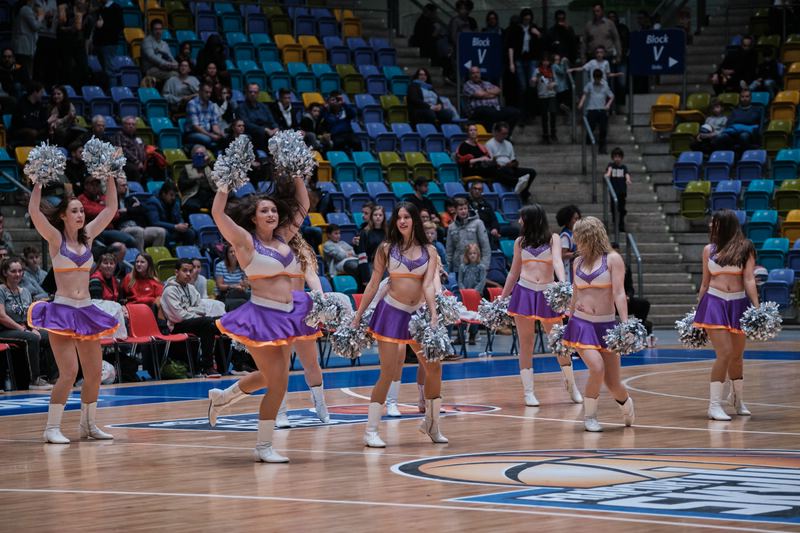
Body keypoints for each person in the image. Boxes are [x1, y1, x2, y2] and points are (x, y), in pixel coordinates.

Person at [209, 164, 315, 463]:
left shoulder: (283, 237)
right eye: (264, 211)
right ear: (253, 218)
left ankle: (223, 397)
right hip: (261, 317)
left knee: (271, 378)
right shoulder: (245, 241)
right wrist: (226, 183)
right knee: (279, 382)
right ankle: (263, 446)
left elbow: (304, 204)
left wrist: (296, 171)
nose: (271, 214)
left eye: (273, 210)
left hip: (287, 316)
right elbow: (218, 214)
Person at [28, 167, 120, 443]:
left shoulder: (89, 237)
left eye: (82, 210)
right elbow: (35, 213)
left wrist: (111, 175)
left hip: (87, 312)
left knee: (93, 375)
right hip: (62, 311)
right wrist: (37, 182)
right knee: (69, 373)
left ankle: (88, 426)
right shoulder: (56, 241)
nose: (81, 215)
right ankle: (51, 428)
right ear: (63, 216)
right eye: (76, 211)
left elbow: (111, 207)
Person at [208, 234, 331, 429]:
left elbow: (312, 276)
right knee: (279, 369)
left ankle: (321, 406)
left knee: (311, 363)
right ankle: (280, 412)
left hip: (301, 311)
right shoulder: (266, 249)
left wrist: (321, 299)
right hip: (277, 312)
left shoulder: (301, 249)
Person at [351, 202, 443, 448]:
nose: (402, 221)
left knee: (434, 368)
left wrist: (434, 314)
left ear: (415, 220)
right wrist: (359, 314)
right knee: (389, 372)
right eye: (399, 217)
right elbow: (373, 284)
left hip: (418, 315)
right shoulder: (386, 248)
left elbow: (428, 285)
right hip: (391, 312)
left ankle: (432, 424)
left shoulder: (430, 251)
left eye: (406, 217)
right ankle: (371, 430)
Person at [502, 204, 583, 406]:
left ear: (532, 219)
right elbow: (513, 272)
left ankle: (571, 385)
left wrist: (563, 286)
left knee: (558, 342)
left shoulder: (553, 239)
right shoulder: (520, 242)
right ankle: (528, 392)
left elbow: (557, 262)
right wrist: (503, 296)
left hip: (547, 294)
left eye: (523, 218)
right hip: (524, 293)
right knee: (526, 343)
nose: (520, 221)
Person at [561, 216, 634, 432]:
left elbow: (619, 293)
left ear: (589, 237)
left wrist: (625, 324)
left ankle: (626, 403)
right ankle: (590, 416)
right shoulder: (577, 262)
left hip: (606, 326)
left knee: (614, 384)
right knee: (596, 367)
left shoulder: (613, 259)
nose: (576, 243)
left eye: (578, 238)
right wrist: (569, 320)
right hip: (582, 325)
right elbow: (576, 293)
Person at [692, 209, 758, 421]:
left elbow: (748, 279)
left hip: (738, 304)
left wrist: (757, 308)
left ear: (727, 225)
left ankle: (737, 399)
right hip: (714, 304)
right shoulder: (708, 250)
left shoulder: (745, 248)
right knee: (725, 354)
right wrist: (697, 309)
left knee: (737, 357)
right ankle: (714, 406)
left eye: (715, 223)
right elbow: (704, 282)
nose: (711, 226)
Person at [161, 259, 222, 376]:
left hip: (193, 323)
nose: (188, 274)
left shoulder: (191, 288)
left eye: (190, 271)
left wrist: (188, 310)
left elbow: (202, 309)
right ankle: (207, 367)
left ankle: (224, 365)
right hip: (177, 326)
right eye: (185, 271)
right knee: (206, 322)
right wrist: (194, 312)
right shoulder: (169, 290)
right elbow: (179, 316)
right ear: (176, 272)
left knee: (221, 321)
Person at [0, 257, 52, 390]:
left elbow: (30, 315)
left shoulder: (26, 292)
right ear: (5, 273)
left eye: (20, 271)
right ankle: (34, 380)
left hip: (23, 327)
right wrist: (23, 330)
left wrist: (33, 327)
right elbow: (2, 317)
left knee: (51, 335)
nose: (18, 274)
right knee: (32, 338)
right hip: (5, 329)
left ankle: (55, 377)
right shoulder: (1, 290)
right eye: (13, 271)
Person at [485, 121, 537, 199]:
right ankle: (518, 184)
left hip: (510, 167)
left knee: (531, 172)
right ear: (496, 132)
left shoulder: (508, 144)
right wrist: (500, 164)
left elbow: (513, 158)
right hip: (498, 169)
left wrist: (513, 163)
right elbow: (490, 161)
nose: (505, 136)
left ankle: (522, 190)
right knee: (504, 171)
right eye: (503, 134)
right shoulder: (489, 144)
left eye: (506, 134)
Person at [463, 66, 520, 135]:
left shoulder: (487, 83)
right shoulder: (468, 85)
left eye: (477, 72)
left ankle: (505, 135)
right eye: (473, 73)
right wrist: (492, 93)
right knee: (489, 112)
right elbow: (480, 94)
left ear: (480, 74)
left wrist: (485, 92)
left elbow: (498, 90)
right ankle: (495, 135)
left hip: (494, 109)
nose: (476, 75)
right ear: (470, 75)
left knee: (515, 112)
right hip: (477, 111)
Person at [506, 8, 543, 114]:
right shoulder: (516, 29)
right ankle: (522, 111)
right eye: (525, 19)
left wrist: (538, 34)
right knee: (522, 86)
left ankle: (532, 111)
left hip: (532, 59)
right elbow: (511, 46)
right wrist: (511, 63)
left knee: (532, 84)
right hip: (519, 60)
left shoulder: (533, 28)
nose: (527, 21)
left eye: (529, 19)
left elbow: (541, 44)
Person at [116, 175, 166, 251]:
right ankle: (141, 258)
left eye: (126, 185)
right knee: (138, 231)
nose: (126, 187)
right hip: (123, 229)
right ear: (116, 187)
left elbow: (142, 210)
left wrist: (127, 211)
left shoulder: (132, 196)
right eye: (123, 185)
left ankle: (153, 258)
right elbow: (118, 216)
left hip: (138, 227)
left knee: (161, 232)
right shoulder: (113, 200)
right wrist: (132, 210)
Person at [144, 181, 197, 246]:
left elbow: (179, 217)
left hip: (172, 229)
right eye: (171, 195)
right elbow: (155, 222)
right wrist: (175, 227)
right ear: (163, 194)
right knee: (165, 234)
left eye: (175, 195)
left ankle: (186, 254)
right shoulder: (153, 202)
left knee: (190, 233)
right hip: (160, 230)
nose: (173, 198)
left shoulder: (175, 203)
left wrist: (182, 224)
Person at [446, 197, 490, 274]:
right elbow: (449, 250)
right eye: (460, 209)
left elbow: (485, 246)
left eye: (465, 208)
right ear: (456, 210)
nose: (463, 211)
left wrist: (484, 266)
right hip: (458, 267)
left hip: (476, 265)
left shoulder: (478, 223)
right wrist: (447, 269)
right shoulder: (451, 227)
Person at [712, 89, 762, 153]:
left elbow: (751, 121)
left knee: (743, 136)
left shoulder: (756, 110)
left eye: (747, 96)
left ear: (751, 98)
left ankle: (745, 157)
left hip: (750, 134)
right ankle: (722, 158)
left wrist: (738, 123)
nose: (744, 98)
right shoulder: (735, 111)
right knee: (721, 137)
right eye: (742, 97)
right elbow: (729, 124)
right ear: (740, 98)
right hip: (734, 134)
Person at [578, 69, 614, 154]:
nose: (597, 80)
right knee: (591, 126)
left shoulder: (605, 85)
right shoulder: (589, 85)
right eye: (596, 78)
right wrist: (581, 103)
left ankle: (602, 148)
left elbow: (612, 96)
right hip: (592, 109)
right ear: (594, 78)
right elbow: (585, 94)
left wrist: (608, 105)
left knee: (603, 129)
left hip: (602, 109)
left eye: (599, 78)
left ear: (601, 78)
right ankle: (588, 141)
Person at [236, 82, 278, 151]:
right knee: (262, 135)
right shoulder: (241, 108)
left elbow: (272, 121)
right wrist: (265, 129)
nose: (253, 94)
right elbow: (246, 124)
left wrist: (276, 128)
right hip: (254, 133)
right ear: (246, 93)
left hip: (268, 131)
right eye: (250, 92)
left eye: (255, 92)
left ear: (258, 93)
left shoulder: (264, 107)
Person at [458, 243, 485, 345]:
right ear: (466, 255)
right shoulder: (462, 267)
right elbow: (460, 281)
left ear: (478, 254)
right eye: (470, 253)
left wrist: (474, 292)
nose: (472, 255)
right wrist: (464, 292)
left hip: (476, 295)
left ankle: (473, 335)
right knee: (463, 314)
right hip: (464, 295)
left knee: (474, 314)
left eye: (474, 253)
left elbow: (482, 281)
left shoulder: (481, 267)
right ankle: (461, 335)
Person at [178, 144, 216, 216]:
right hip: (194, 196)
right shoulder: (186, 168)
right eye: (197, 154)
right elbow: (181, 185)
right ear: (192, 156)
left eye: (201, 154)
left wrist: (209, 162)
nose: (199, 156)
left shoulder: (210, 167)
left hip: (209, 196)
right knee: (191, 206)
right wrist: (195, 179)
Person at [92, 0, 123, 85]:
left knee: (110, 71)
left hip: (109, 44)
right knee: (104, 71)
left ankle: (113, 94)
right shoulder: (99, 8)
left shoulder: (116, 8)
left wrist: (103, 25)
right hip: (99, 43)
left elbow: (120, 27)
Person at [184, 82, 223, 149]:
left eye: (210, 92)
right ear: (200, 92)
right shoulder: (192, 104)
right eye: (206, 92)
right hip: (192, 133)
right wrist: (211, 135)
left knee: (224, 138)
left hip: (207, 132)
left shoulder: (211, 105)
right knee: (207, 139)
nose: (208, 95)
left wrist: (220, 133)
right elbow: (195, 126)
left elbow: (214, 125)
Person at [11, 0, 44, 77]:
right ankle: (26, 87)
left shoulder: (20, 8)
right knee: (26, 72)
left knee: (20, 70)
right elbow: (35, 26)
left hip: (20, 45)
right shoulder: (25, 9)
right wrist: (40, 17)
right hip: (25, 47)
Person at [10, 80, 47, 147]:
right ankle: (28, 154)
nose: (43, 95)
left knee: (52, 130)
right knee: (32, 133)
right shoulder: (21, 104)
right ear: (35, 92)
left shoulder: (40, 105)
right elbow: (25, 123)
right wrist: (42, 124)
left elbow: (43, 121)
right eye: (41, 92)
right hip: (20, 130)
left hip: (36, 128)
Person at [112, 116, 147, 183]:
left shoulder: (137, 138)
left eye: (133, 124)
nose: (131, 126)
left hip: (140, 163)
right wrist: (137, 162)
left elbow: (143, 149)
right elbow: (123, 151)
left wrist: (144, 161)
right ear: (123, 125)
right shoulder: (119, 135)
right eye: (128, 124)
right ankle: (138, 190)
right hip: (125, 162)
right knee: (134, 170)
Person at [604, 147, 631, 233]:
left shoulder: (623, 167)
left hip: (622, 192)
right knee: (614, 208)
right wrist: (608, 174)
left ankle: (621, 225)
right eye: (615, 157)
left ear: (622, 158)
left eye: (619, 157)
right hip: (614, 193)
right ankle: (615, 224)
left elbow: (627, 174)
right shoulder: (611, 165)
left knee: (622, 209)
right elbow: (609, 171)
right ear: (612, 157)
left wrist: (628, 179)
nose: (617, 159)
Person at [532, 56, 558, 144]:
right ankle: (545, 135)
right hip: (542, 95)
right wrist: (534, 80)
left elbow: (557, 81)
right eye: (544, 61)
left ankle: (553, 133)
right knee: (544, 116)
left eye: (547, 61)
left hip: (551, 94)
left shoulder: (552, 70)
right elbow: (532, 83)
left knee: (553, 113)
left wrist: (553, 84)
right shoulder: (537, 70)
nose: (545, 63)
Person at [215, 242, 248, 310]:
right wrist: (233, 286)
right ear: (227, 254)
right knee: (242, 302)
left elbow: (245, 283)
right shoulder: (220, 266)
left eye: (235, 251)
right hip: (224, 295)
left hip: (240, 294)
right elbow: (220, 286)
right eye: (231, 252)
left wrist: (245, 284)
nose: (233, 254)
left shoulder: (242, 266)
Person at [557, 204, 581, 281]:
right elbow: (562, 254)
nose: (578, 221)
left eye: (578, 219)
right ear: (568, 220)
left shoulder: (575, 232)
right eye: (575, 219)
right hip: (568, 271)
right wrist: (577, 253)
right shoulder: (565, 236)